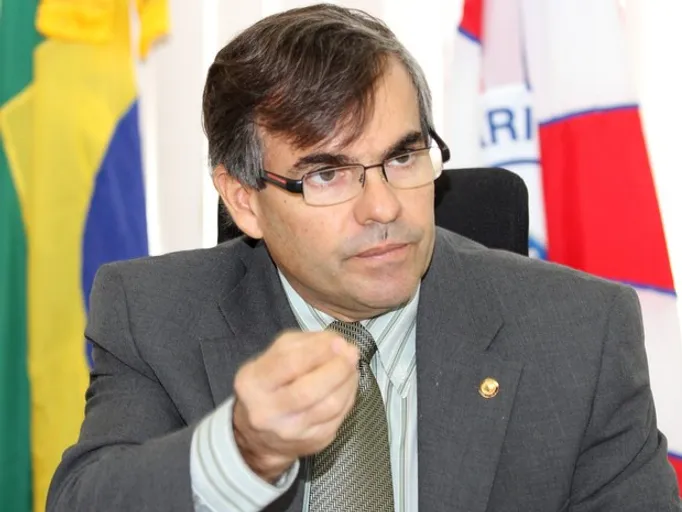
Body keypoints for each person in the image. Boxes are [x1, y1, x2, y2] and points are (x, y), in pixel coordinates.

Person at [47, 4, 681, 512]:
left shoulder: (581, 332)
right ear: (243, 200)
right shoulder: (154, 314)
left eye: (403, 157)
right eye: (327, 174)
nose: (383, 207)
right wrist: (241, 451)